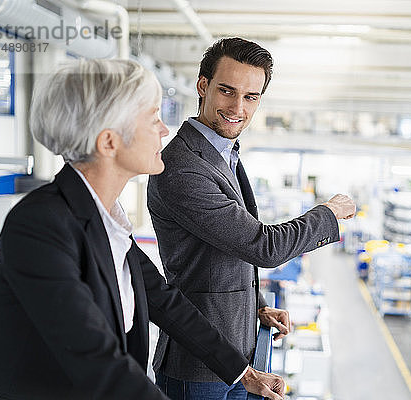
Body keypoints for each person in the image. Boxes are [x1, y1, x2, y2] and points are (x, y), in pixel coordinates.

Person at [0, 59, 284, 400]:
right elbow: (95, 358)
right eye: (152, 119)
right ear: (109, 142)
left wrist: (243, 371)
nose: (164, 130)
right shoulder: (39, 226)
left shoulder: (106, 218)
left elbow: (166, 304)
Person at [148, 37, 356, 400]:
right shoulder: (183, 167)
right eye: (227, 91)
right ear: (203, 86)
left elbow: (221, 254)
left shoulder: (222, 153)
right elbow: (262, 246)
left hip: (234, 354)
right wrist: (328, 216)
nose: (237, 107)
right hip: (197, 365)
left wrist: (255, 307)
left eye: (250, 97)